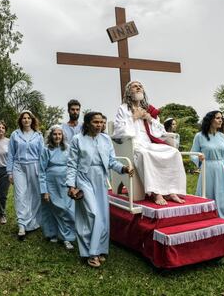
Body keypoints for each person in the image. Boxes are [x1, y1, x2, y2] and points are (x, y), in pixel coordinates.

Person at [67, 112, 134, 268]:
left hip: (101, 178)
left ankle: (98, 250)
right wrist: (71, 185)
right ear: (88, 123)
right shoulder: (77, 139)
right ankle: (91, 253)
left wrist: (123, 168)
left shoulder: (106, 139)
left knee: (102, 215)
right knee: (92, 213)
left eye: (101, 122)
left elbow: (111, 161)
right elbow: (71, 164)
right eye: (95, 122)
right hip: (83, 178)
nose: (99, 125)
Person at [112, 80, 186, 205]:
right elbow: (119, 131)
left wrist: (148, 118)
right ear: (129, 92)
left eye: (140, 86)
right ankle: (156, 193)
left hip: (148, 142)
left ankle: (170, 191)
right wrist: (134, 117)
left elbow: (160, 130)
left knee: (173, 152)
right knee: (145, 154)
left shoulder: (147, 109)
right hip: (133, 144)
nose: (138, 88)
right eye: (135, 86)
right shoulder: (123, 109)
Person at [190, 111, 224, 250]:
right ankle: (205, 233)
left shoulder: (222, 136)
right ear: (210, 120)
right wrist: (199, 159)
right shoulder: (200, 136)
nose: (221, 121)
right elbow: (193, 154)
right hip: (207, 170)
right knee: (206, 200)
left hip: (221, 170)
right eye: (218, 118)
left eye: (221, 118)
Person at [7, 110, 44, 240]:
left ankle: (33, 222)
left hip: (35, 166)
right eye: (24, 118)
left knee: (35, 194)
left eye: (28, 118)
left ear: (32, 120)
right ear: (20, 120)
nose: (26, 120)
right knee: (20, 195)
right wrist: (9, 171)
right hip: (19, 166)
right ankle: (22, 224)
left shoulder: (38, 135)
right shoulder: (15, 135)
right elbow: (10, 154)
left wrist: (43, 172)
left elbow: (42, 155)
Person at [39, 125, 75, 250]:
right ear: (51, 136)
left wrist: (72, 183)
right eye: (55, 134)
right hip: (51, 183)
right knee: (54, 208)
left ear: (63, 136)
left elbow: (72, 166)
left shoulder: (68, 148)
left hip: (65, 183)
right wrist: (44, 191)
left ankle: (67, 237)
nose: (57, 136)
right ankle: (54, 233)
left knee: (66, 209)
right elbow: (42, 171)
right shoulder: (46, 150)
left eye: (60, 134)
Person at [0, 120, 11, 225]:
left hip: (5, 170)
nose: (1, 129)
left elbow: (12, 157)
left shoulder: (9, 141)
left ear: (5, 130)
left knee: (3, 195)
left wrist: (11, 171)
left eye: (3, 128)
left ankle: (2, 214)